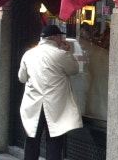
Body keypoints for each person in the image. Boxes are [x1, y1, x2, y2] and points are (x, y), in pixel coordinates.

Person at [18, 25, 82, 160]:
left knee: (32, 140)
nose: (62, 38)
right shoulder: (61, 54)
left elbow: (22, 78)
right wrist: (67, 52)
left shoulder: (28, 54)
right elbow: (74, 69)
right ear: (54, 37)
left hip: (33, 104)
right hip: (55, 106)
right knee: (54, 141)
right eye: (60, 36)